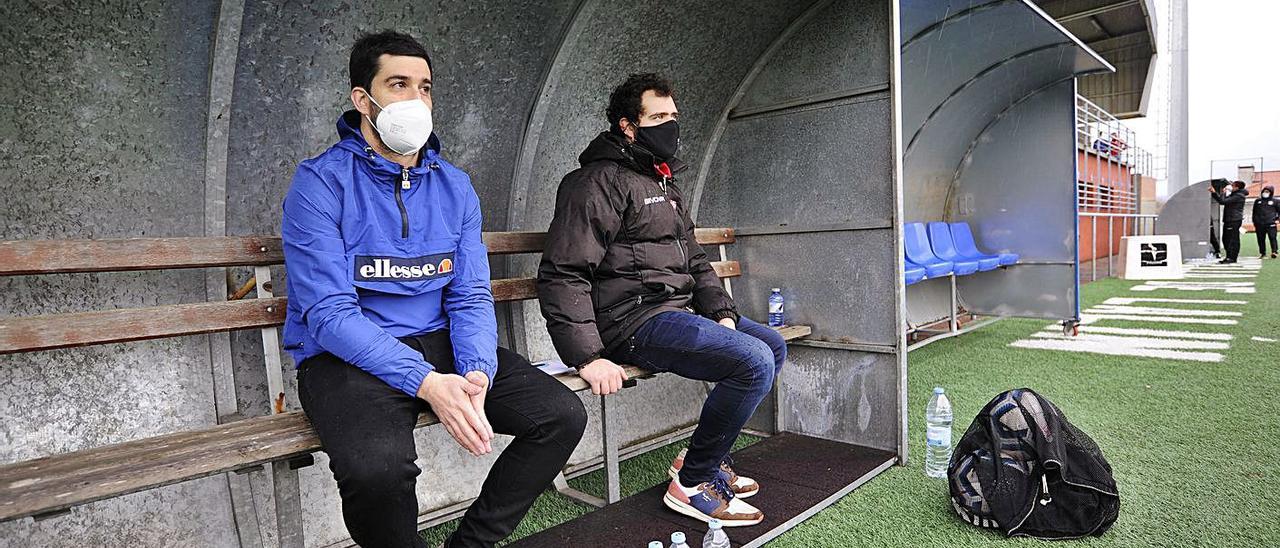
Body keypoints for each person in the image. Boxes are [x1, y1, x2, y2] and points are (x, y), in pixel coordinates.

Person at [281, 31, 586, 548]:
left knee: (559, 416)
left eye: (425, 87)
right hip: (345, 357)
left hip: (439, 340)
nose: (416, 100)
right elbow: (329, 315)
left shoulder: (454, 185)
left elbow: (469, 294)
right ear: (363, 99)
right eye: (398, 84)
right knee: (378, 471)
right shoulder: (320, 182)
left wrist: (475, 371)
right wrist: (426, 382)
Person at [536, 73, 786, 527]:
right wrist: (587, 356)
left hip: (674, 313)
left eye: (673, 116)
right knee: (752, 362)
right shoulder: (594, 183)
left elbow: (694, 258)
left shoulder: (663, 182)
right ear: (628, 126)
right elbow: (564, 272)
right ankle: (691, 483)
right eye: (658, 117)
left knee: (771, 345)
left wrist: (722, 312)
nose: (670, 126)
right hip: (627, 322)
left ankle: (702, 458)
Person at [1209, 180, 1249, 264]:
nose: (1231, 187)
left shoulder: (1239, 196)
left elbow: (1222, 201)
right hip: (1230, 219)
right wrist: (1223, 193)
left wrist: (1214, 192)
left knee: (1231, 240)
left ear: (1237, 187)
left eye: (1233, 186)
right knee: (1227, 239)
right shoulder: (1235, 194)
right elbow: (1223, 201)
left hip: (1233, 220)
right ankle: (1229, 257)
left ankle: (1231, 258)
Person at [1252, 185, 1279, 259]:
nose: (1265, 193)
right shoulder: (1258, 201)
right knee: (1260, 239)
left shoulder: (1275, 201)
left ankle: (1274, 251)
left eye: (1267, 192)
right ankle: (1263, 253)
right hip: (1259, 223)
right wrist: (1254, 221)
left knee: (1272, 237)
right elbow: (1254, 212)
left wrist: (1277, 219)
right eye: (1264, 191)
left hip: (1270, 223)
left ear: (1271, 193)